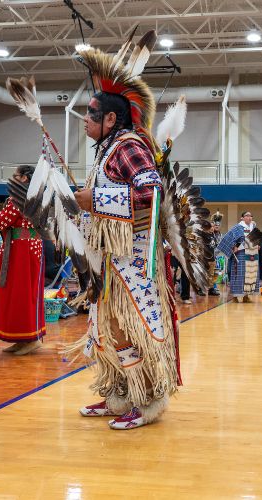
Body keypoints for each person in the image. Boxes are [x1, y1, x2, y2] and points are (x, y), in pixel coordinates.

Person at [66, 38, 182, 430]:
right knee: (103, 329)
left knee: (129, 327)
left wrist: (95, 199)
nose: (85, 119)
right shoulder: (108, 149)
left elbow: (151, 192)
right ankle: (119, 394)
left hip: (132, 258)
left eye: (91, 113)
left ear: (111, 119)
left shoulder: (129, 146)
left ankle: (148, 397)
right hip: (108, 259)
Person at [0, 165, 46, 355]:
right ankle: (22, 337)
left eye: (15, 175)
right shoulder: (34, 196)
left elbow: (2, 222)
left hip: (21, 250)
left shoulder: (18, 198)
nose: (12, 178)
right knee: (22, 293)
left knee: (21, 294)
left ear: (24, 178)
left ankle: (30, 339)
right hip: (26, 248)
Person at [217, 211, 261, 303]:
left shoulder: (253, 228)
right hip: (241, 254)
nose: (249, 217)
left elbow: (258, 239)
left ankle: (246, 296)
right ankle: (236, 296)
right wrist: (234, 246)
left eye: (250, 216)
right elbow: (228, 238)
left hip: (252, 254)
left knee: (250, 275)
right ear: (242, 218)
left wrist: (258, 244)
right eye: (247, 215)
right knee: (239, 275)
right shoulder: (237, 227)